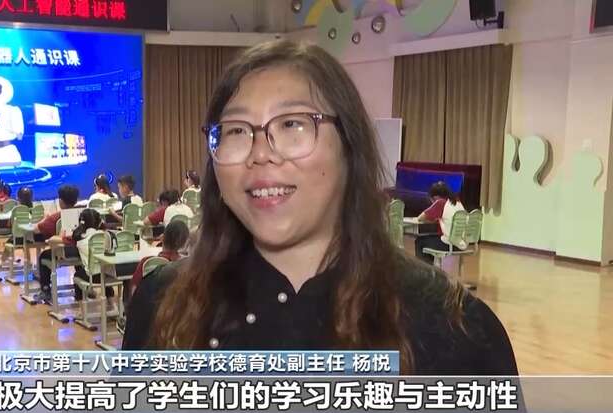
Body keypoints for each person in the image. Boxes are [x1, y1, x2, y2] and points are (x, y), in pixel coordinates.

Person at [122, 40, 517, 376]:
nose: (260, 154)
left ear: (349, 146)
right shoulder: (162, 304)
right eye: (237, 130)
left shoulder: (453, 327)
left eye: (292, 124)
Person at [34, 184, 80, 303]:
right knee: (79, 260)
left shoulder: (55, 218)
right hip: (81, 252)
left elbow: (36, 229)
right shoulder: (82, 214)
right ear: (76, 200)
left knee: (43, 256)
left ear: (60, 201)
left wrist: (45, 218)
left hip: (63, 252)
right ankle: (80, 290)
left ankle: (45, 290)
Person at [72, 209, 119, 314]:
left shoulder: (79, 238)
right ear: (99, 222)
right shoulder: (107, 235)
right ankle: (113, 306)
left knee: (77, 275)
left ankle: (83, 311)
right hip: (111, 274)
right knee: (103, 271)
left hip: (92, 276)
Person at [129, 220, 189, 299]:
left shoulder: (146, 262)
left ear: (162, 237)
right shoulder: (185, 264)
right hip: (173, 304)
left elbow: (134, 290)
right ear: (184, 243)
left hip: (149, 305)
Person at [414, 182, 467, 264]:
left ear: (435, 197)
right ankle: (430, 269)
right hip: (461, 243)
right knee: (431, 238)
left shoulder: (440, 202)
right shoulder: (457, 202)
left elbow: (420, 218)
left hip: (449, 244)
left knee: (420, 241)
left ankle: (424, 270)